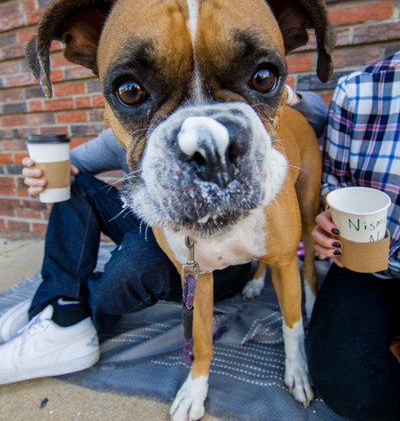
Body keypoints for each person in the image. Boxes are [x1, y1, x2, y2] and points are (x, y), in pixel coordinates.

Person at [0, 88, 327, 385]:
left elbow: (316, 114)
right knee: (75, 188)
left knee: (137, 256)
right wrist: (40, 175)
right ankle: (59, 306)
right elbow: (74, 165)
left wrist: (280, 90)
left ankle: (73, 314)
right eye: (135, 91)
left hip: (225, 250)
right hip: (163, 223)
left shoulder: (226, 115)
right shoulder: (127, 130)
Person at [308, 52, 400, 421]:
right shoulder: (358, 90)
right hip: (366, 264)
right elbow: (334, 184)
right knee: (353, 386)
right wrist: (328, 224)